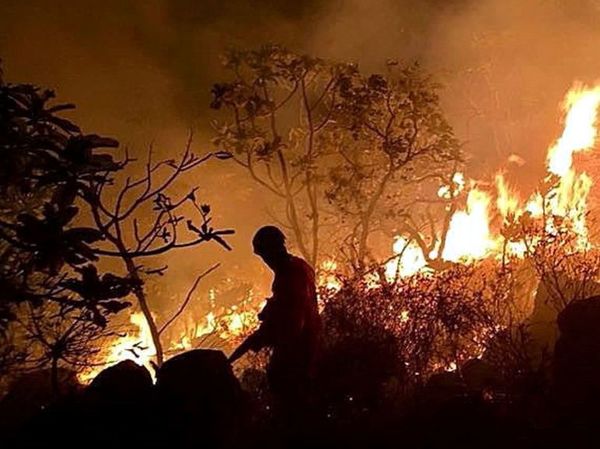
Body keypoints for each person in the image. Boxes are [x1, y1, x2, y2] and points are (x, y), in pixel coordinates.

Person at [229, 225, 321, 404]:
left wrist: (272, 334)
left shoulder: (289, 274)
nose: (265, 261)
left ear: (273, 250)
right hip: (308, 342)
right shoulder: (299, 266)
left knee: (285, 389)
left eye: (264, 255)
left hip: (298, 348)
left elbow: (294, 319)